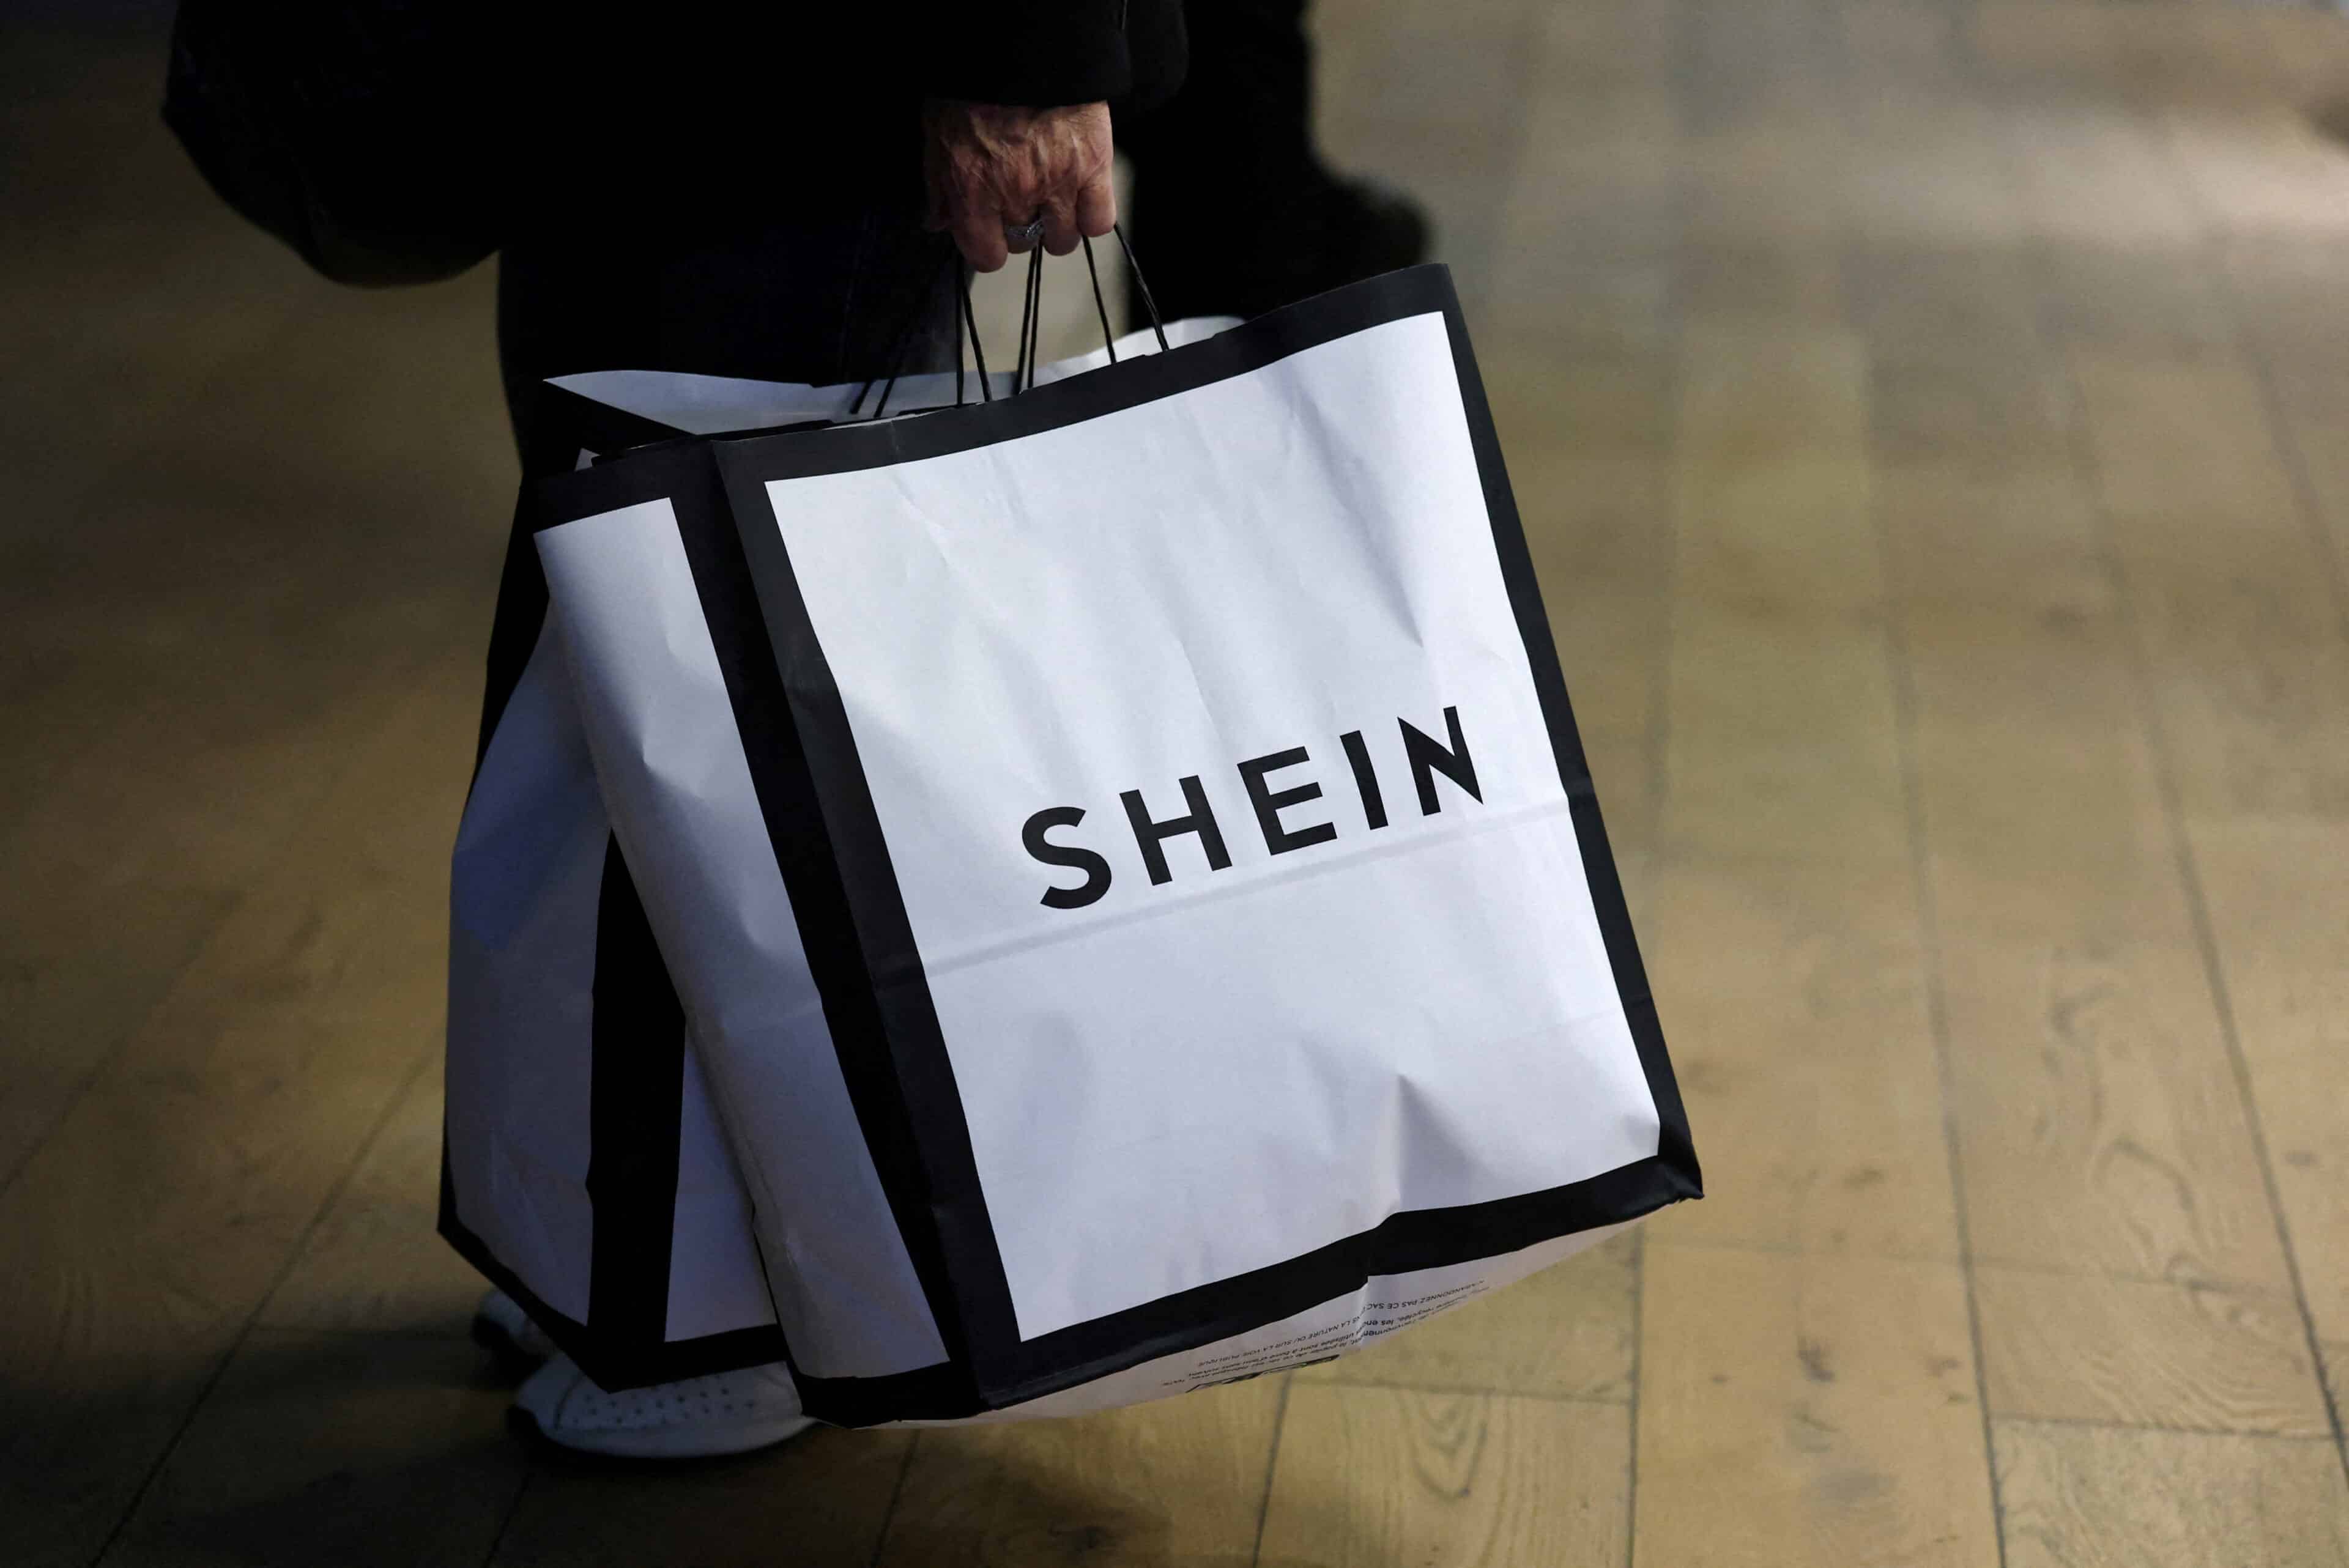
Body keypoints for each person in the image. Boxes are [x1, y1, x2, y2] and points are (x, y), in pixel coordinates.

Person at [166, 0, 1187, 1460]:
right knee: (622, 617)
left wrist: (1020, 55)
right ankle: (623, 1250)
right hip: (626, 67)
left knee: (728, 665)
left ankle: (750, 1301)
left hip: (819, 74)